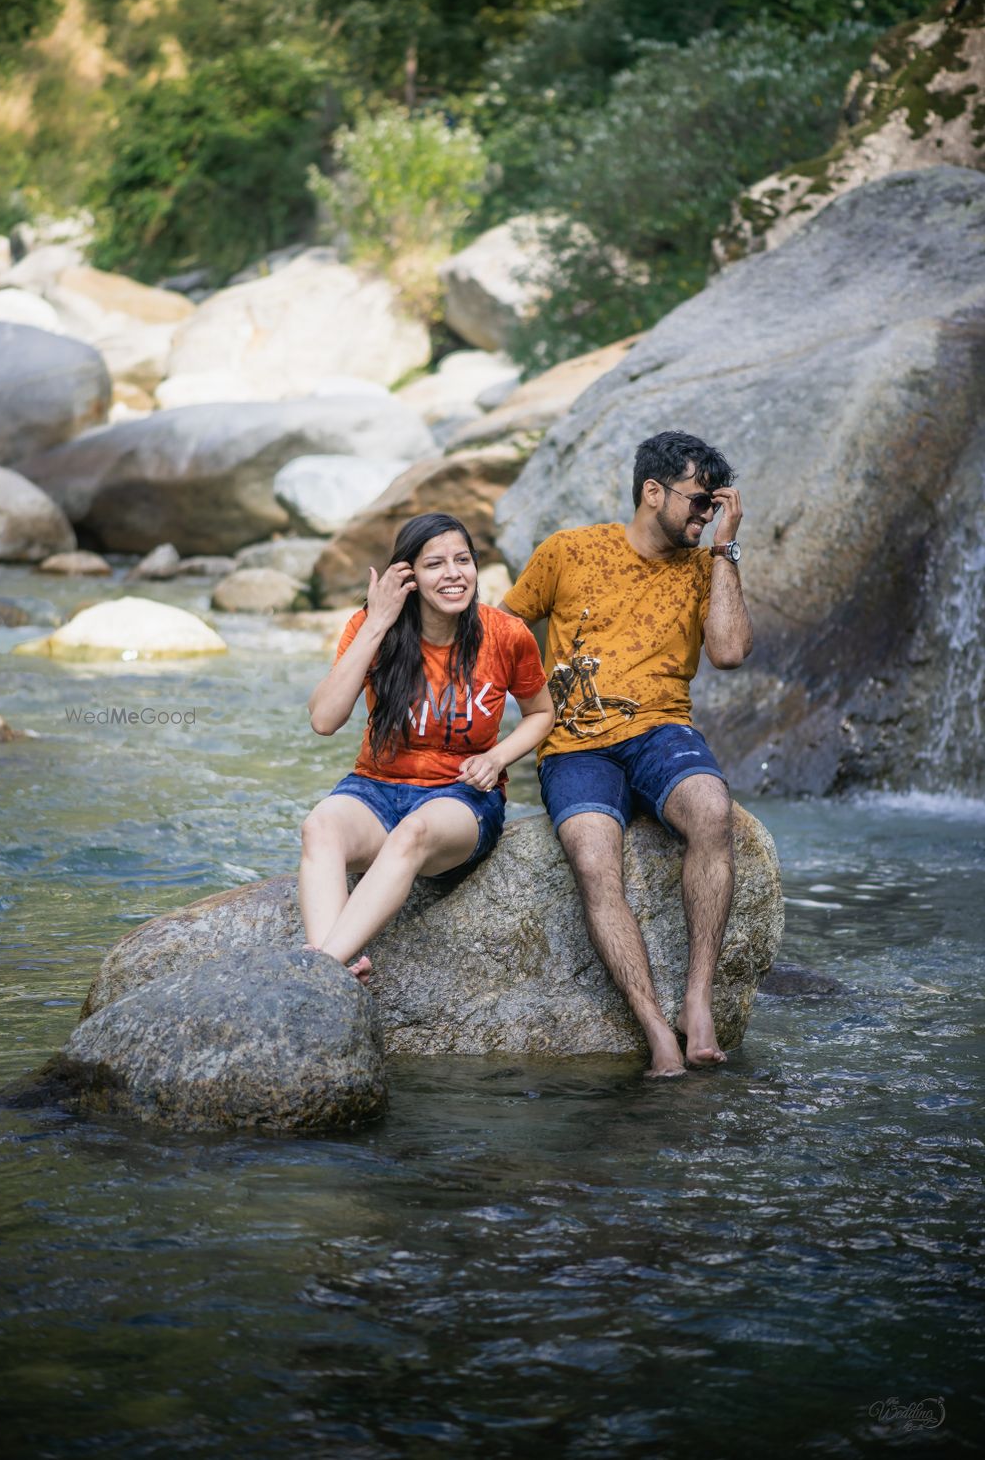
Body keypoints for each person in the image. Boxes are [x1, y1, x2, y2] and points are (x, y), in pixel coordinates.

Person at [501, 431, 753, 1077]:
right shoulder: (569, 551)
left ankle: (697, 1004)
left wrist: (725, 544)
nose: (704, 514)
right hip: (574, 747)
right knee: (592, 859)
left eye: (712, 506)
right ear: (652, 492)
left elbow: (727, 651)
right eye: (699, 502)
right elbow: (498, 636)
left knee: (712, 809)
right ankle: (654, 1031)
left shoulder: (705, 565)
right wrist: (486, 747)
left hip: (662, 732)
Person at [300, 512, 555, 980]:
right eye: (435, 564)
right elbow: (324, 719)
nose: (453, 573)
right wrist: (378, 623)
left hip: (460, 798)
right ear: (409, 576)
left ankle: (321, 968)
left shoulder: (505, 634)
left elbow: (542, 713)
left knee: (411, 834)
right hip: (375, 789)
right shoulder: (373, 626)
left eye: (463, 560)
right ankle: (336, 960)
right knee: (320, 827)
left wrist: (497, 757)